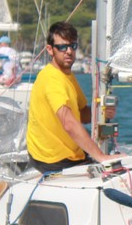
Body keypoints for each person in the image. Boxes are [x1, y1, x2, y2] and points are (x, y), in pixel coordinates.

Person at [26, 21, 119, 173]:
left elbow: (82, 113)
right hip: (52, 159)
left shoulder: (67, 75)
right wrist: (101, 156)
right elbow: (69, 123)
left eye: (72, 46)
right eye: (62, 47)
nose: (69, 51)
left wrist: (101, 112)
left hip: (69, 155)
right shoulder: (52, 78)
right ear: (50, 49)